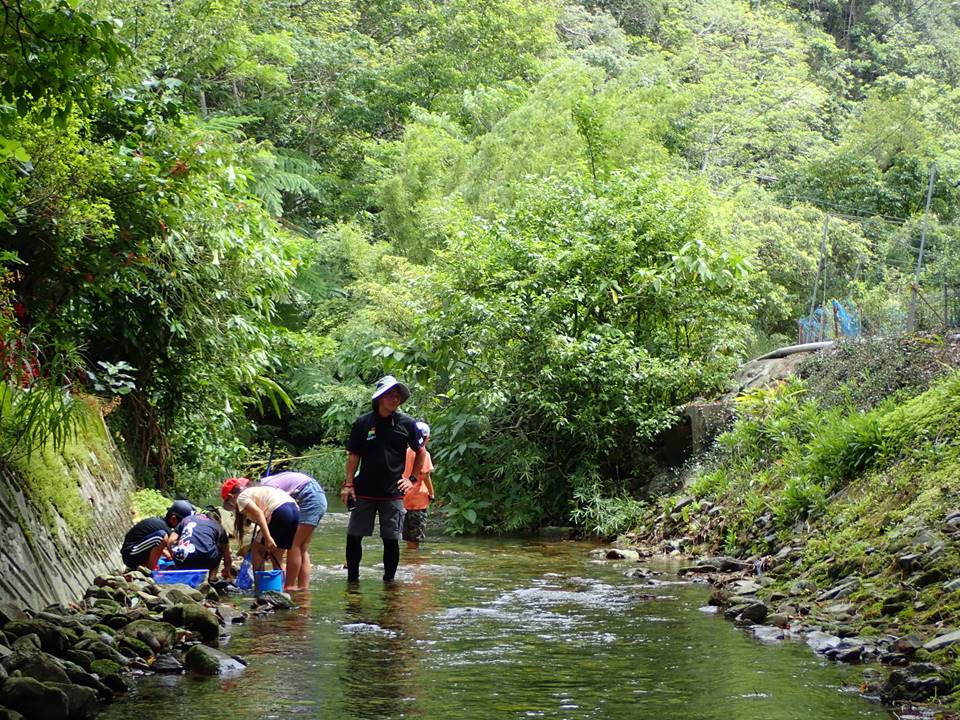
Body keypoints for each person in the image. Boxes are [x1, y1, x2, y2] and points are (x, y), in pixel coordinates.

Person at [342, 375, 425, 582]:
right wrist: (348, 484)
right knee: (354, 537)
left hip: (393, 492)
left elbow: (421, 452)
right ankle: (352, 582)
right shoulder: (363, 422)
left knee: (391, 540)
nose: (394, 399)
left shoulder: (407, 423)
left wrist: (412, 479)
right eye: (390, 395)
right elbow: (354, 455)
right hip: (364, 490)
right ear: (379, 398)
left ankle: (389, 583)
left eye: (397, 396)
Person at [221, 477, 300, 591]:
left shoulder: (241, 497)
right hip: (294, 512)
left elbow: (259, 513)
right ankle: (280, 589)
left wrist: (267, 538)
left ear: (231, 497)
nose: (234, 508)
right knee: (277, 555)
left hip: (279, 511)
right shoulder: (257, 490)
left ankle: (260, 588)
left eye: (230, 503)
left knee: (256, 549)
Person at [259, 471, 327, 590]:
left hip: (308, 497)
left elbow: (276, 508)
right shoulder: (270, 482)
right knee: (302, 547)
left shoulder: (266, 487)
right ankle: (303, 588)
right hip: (318, 498)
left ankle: (289, 586)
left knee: (294, 544)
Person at [120, 500, 195, 570]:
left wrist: (167, 554)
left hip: (135, 551)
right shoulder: (164, 528)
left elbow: (153, 544)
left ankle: (148, 566)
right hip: (130, 555)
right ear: (173, 519)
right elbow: (170, 545)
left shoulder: (161, 523)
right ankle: (151, 569)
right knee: (162, 537)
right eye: (182, 524)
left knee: (162, 539)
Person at [166, 506, 232, 581]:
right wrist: (227, 571)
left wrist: (176, 559)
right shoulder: (218, 526)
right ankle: (212, 578)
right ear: (218, 519)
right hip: (206, 560)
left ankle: (180, 569)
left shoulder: (187, 519)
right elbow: (227, 556)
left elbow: (170, 541)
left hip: (183, 558)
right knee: (220, 547)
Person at [402, 421, 435, 550]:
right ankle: (413, 564)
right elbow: (426, 476)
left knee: (406, 534)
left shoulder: (406, 452)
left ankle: (407, 563)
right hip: (419, 500)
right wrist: (432, 493)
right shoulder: (424, 454)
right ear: (426, 438)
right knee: (415, 538)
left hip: (404, 498)